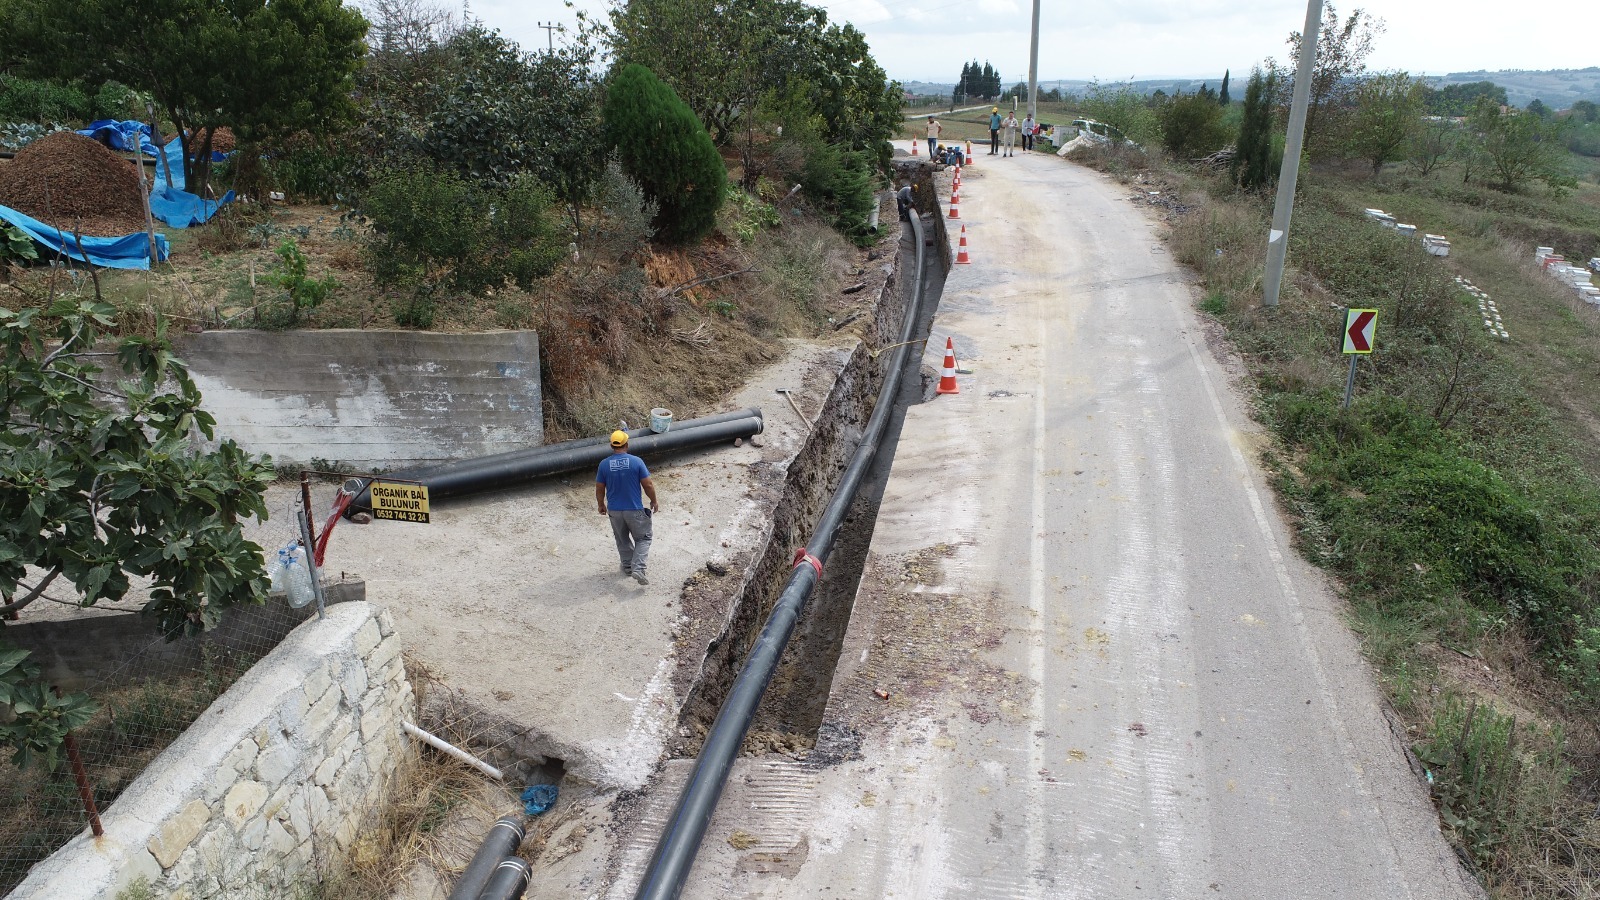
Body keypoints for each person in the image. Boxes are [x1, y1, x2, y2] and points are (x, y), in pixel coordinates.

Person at [596, 430, 658, 585]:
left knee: (622, 539)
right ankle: (638, 568)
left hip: (615, 511)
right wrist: (654, 500)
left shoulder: (604, 464)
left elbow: (599, 488)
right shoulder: (636, 461)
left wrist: (601, 504)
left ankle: (628, 567)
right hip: (634, 509)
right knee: (643, 538)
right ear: (627, 445)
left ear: (612, 446)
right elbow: (648, 484)